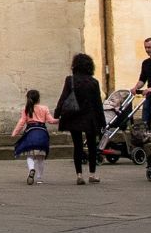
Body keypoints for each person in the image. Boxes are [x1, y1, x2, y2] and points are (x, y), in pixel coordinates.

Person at [57, 53, 105, 185]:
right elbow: (98, 104)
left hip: (75, 117)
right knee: (92, 146)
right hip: (90, 118)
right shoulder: (94, 82)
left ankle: (79, 175)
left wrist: (57, 113)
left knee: (77, 146)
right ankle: (92, 174)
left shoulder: (70, 80)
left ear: (75, 65)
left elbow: (63, 97)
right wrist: (102, 122)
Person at [12, 89, 54, 185]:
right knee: (41, 158)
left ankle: (31, 169)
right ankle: (39, 178)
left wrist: (15, 132)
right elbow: (51, 121)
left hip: (30, 134)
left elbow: (21, 122)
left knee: (30, 156)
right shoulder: (44, 108)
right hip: (42, 134)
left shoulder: (26, 109)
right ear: (39, 99)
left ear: (28, 98)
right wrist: (61, 120)